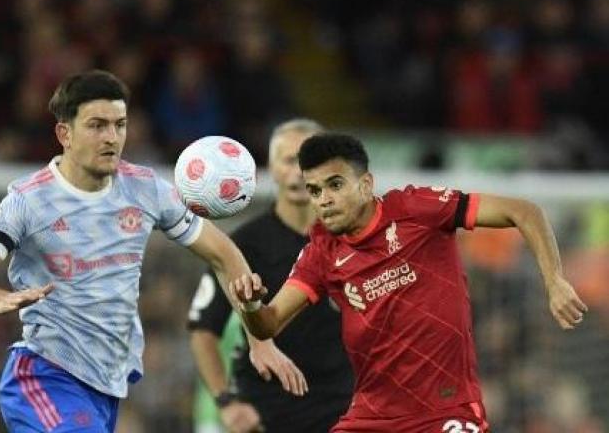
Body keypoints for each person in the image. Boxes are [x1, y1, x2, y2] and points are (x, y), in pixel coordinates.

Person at [0, 70, 256, 433]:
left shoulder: (145, 189)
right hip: (43, 376)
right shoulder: (28, 201)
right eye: (97, 125)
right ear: (65, 133)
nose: (112, 138)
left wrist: (259, 338)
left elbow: (223, 253)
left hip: (105, 386)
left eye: (119, 125)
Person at [229, 133, 588, 433]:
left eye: (335, 185)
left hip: (446, 412)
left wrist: (555, 281)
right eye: (315, 190)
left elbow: (523, 211)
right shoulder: (322, 252)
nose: (324, 200)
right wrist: (250, 304)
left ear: (366, 184)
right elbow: (269, 323)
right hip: (373, 418)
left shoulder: (417, 209)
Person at [188, 120, 353, 433]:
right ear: (271, 168)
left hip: (344, 409)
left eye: (309, 160)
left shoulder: (351, 240)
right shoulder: (242, 246)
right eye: (289, 160)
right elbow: (203, 329)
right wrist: (227, 402)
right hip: (267, 412)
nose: (299, 170)